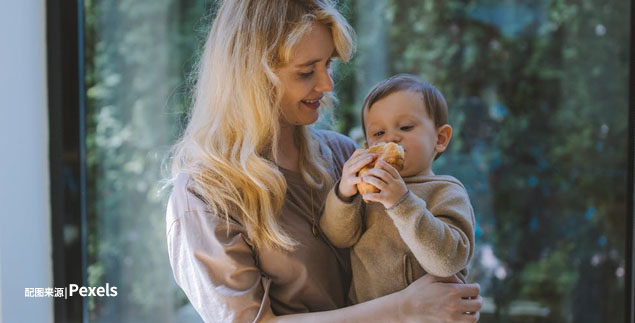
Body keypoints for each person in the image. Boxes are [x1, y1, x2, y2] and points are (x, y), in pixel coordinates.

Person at [165, 1, 482, 322]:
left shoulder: (344, 156)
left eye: (328, 64)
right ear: (250, 78)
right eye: (306, 71)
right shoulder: (204, 194)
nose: (328, 84)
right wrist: (405, 308)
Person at [320, 74, 475, 305]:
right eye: (379, 134)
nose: (392, 137)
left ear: (440, 138)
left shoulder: (446, 191)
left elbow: (448, 262)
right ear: (368, 147)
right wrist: (344, 194)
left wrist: (401, 203)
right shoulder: (367, 192)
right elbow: (337, 237)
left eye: (405, 127)